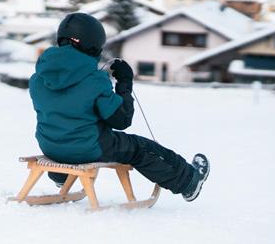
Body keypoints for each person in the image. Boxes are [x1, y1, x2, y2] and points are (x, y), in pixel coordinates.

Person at [28, 13, 210, 202]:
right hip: (88, 148)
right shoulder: (94, 79)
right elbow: (121, 120)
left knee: (64, 129)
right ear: (93, 44)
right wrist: (124, 82)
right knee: (139, 147)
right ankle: (188, 181)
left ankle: (61, 176)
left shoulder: (37, 78)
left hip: (50, 147)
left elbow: (63, 111)